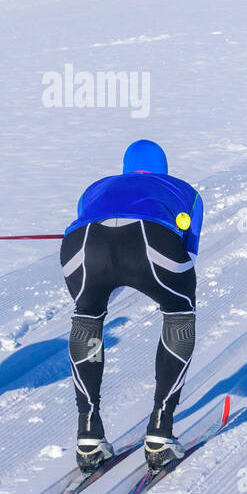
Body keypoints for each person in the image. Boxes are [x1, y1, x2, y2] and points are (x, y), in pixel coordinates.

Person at [59, 139, 203, 472]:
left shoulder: (95, 188)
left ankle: (88, 434)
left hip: (81, 246)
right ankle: (160, 432)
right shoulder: (184, 190)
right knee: (180, 313)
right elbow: (189, 253)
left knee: (87, 319)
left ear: (125, 169)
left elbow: (83, 220)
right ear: (162, 169)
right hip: (152, 242)